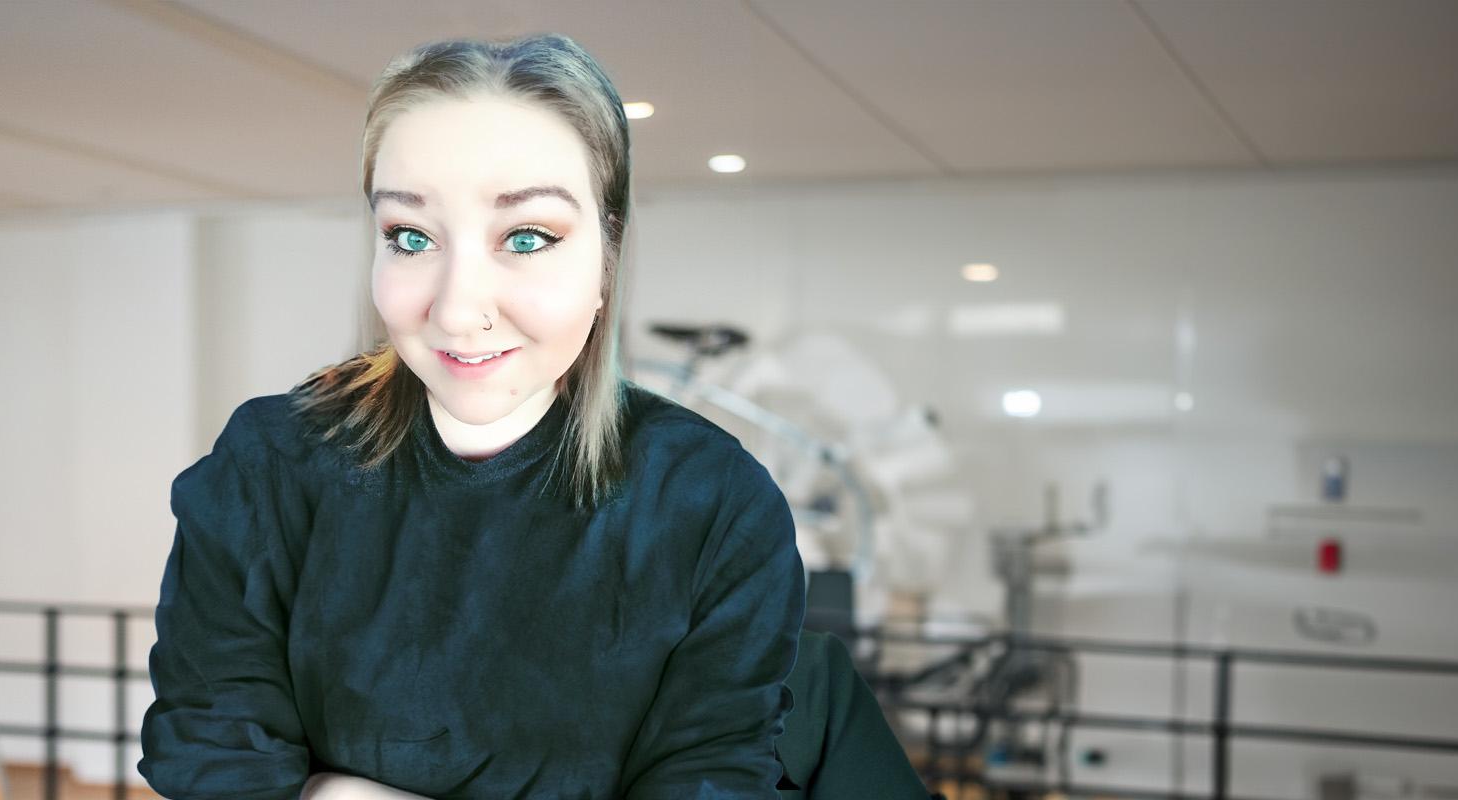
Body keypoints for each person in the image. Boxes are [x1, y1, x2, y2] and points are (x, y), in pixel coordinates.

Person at [140, 34, 899, 799]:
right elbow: (211, 758)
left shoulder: (710, 503)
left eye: (527, 237)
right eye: (410, 236)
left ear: (607, 258)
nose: (458, 309)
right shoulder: (271, 465)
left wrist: (330, 791)